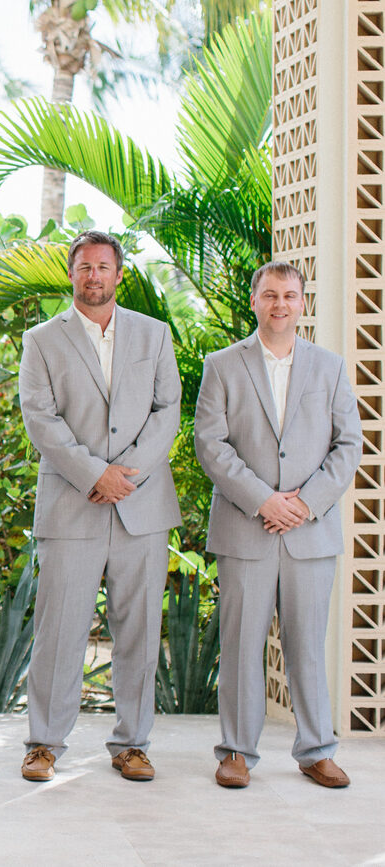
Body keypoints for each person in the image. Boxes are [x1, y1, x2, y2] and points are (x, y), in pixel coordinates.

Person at [18, 230, 182, 782]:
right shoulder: (42, 340)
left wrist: (124, 476)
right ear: (72, 273)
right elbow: (40, 417)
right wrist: (94, 474)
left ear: (119, 274)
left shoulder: (155, 335)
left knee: (138, 629)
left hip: (142, 505)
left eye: (104, 267)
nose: (94, 277)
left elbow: (168, 412)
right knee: (60, 628)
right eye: (84, 267)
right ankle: (44, 743)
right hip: (73, 504)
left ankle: (132, 743)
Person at [194, 261, 362, 789]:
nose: (280, 305)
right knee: (242, 643)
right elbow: (211, 444)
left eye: (290, 296)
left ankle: (316, 750)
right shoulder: (222, 365)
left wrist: (304, 504)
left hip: (310, 532)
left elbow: (348, 445)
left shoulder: (331, 367)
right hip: (247, 527)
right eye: (270, 295)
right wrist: (265, 500)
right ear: (254, 301)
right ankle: (237, 753)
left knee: (307, 644)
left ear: (302, 303)